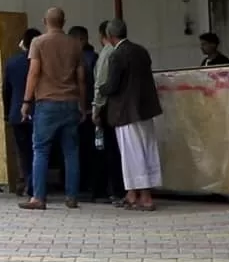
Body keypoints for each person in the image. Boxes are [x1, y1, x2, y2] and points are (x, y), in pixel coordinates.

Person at [20, 7, 86, 210]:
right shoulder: (75, 44)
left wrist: (26, 101)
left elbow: (33, 73)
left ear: (44, 21)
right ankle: (72, 196)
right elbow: (81, 77)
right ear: (64, 21)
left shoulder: (38, 43)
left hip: (46, 103)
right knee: (71, 152)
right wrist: (82, 104)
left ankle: (38, 197)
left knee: (40, 150)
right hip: (70, 103)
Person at [100, 18, 163, 211]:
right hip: (145, 109)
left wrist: (101, 88)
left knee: (132, 154)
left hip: (126, 111)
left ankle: (145, 197)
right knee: (147, 149)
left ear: (110, 37)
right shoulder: (141, 51)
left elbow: (112, 85)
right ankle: (132, 194)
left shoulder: (117, 55)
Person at [91, 20, 126, 205]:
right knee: (114, 150)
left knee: (110, 151)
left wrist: (96, 109)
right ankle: (117, 189)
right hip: (113, 108)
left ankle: (114, 190)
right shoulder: (113, 53)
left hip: (107, 108)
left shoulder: (107, 54)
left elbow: (101, 84)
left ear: (102, 35)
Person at [3, 28, 41, 197]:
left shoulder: (12, 62)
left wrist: (7, 112)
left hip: (16, 112)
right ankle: (34, 184)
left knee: (22, 151)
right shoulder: (40, 61)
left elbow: (6, 90)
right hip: (37, 111)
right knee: (38, 150)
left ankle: (24, 181)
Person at [69, 26, 98, 197]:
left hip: (81, 110)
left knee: (81, 150)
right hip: (89, 109)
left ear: (81, 40)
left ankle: (83, 186)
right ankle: (92, 187)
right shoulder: (93, 58)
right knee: (92, 151)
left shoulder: (81, 60)